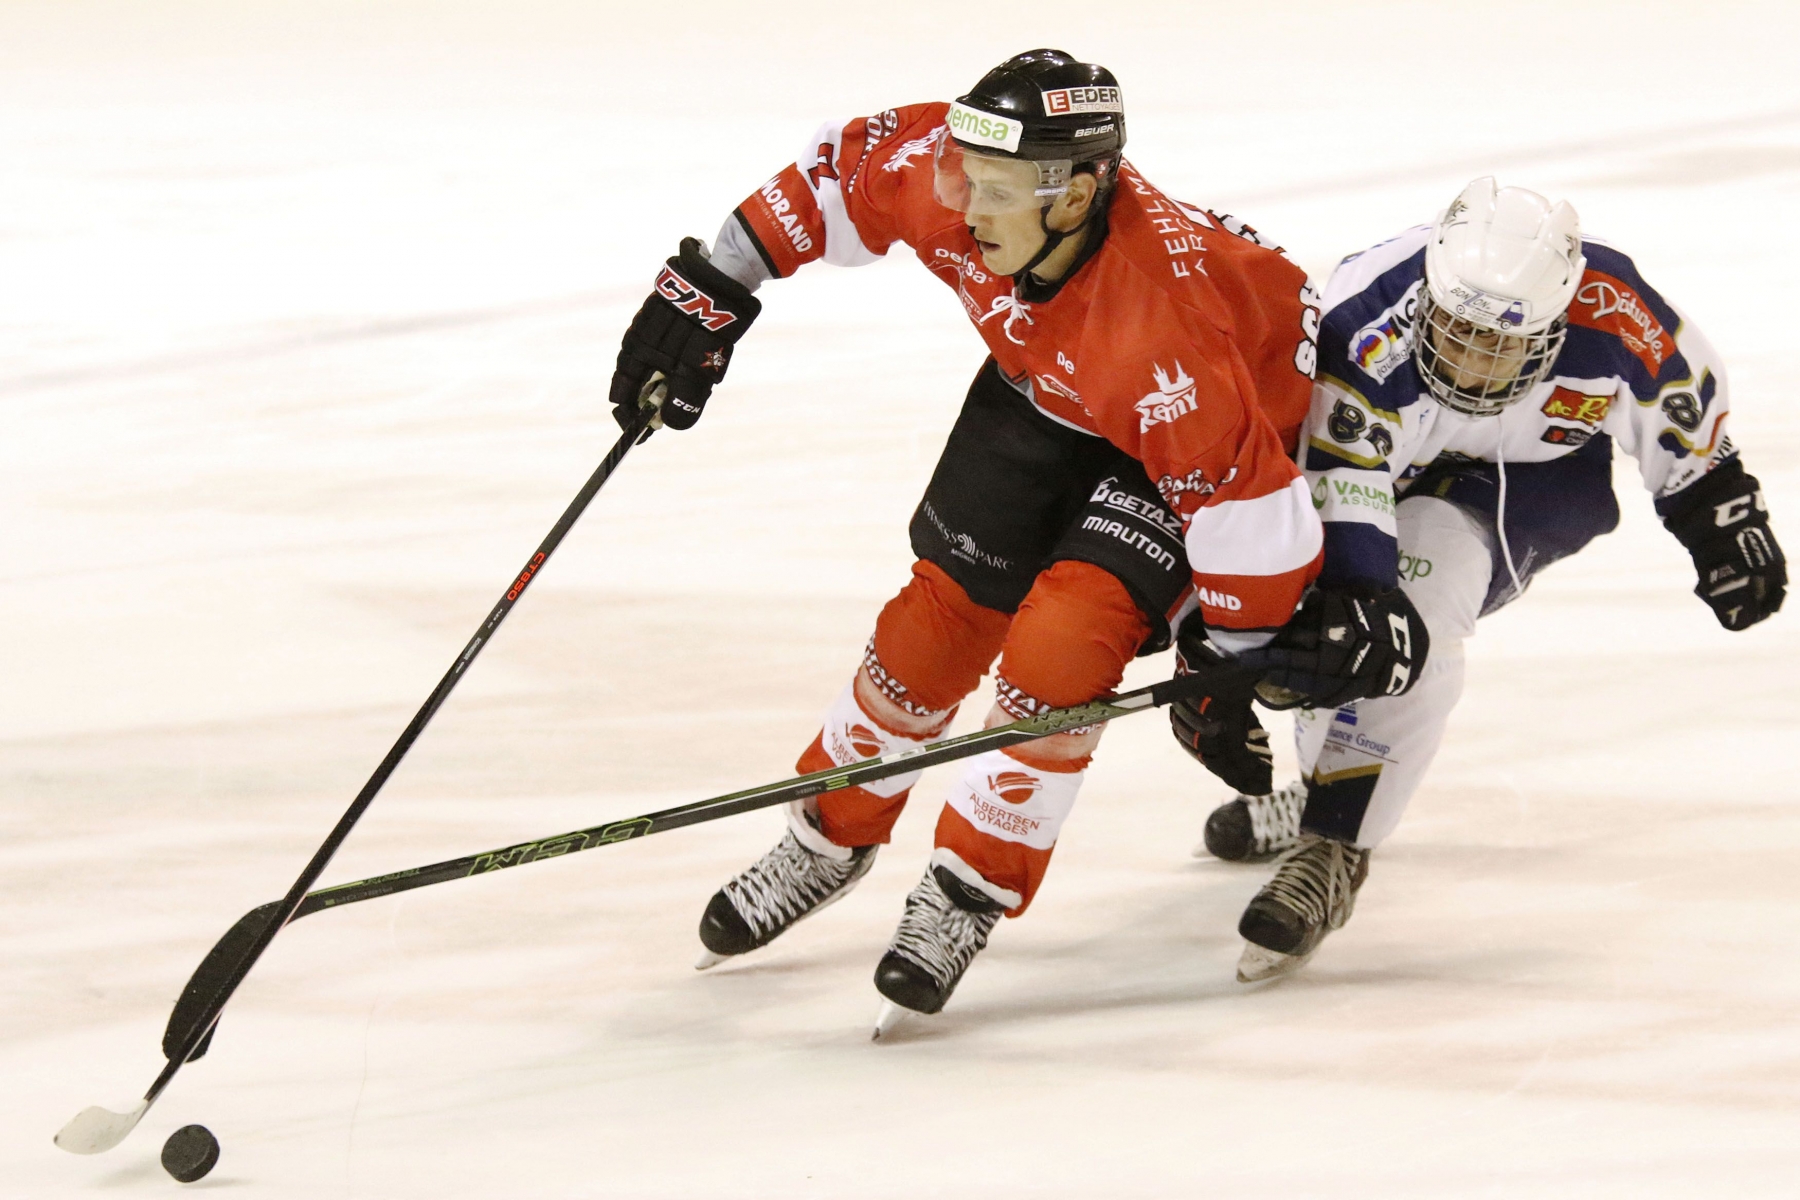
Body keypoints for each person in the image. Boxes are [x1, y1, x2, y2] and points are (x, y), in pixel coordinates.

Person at [606, 50, 1399, 1031]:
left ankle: (966, 887)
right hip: (1053, 387)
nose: (967, 208)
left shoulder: (1167, 330)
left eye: (999, 190)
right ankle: (830, 833)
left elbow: (1246, 505)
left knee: (1062, 648)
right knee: (929, 630)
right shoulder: (960, 177)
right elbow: (835, 176)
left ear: (1075, 197)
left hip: (1194, 435)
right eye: (965, 177)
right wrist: (706, 291)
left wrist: (1228, 660)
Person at [1190, 177, 1785, 983]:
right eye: (1457, 331)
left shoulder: (1613, 308)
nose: (1471, 362)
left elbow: (1682, 410)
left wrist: (1721, 515)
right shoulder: (1365, 318)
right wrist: (1350, 608)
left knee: (1420, 617)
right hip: (1381, 466)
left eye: (1501, 343)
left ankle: (1334, 841)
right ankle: (1332, 776)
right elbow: (1341, 481)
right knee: (1341, 625)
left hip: (1529, 479)